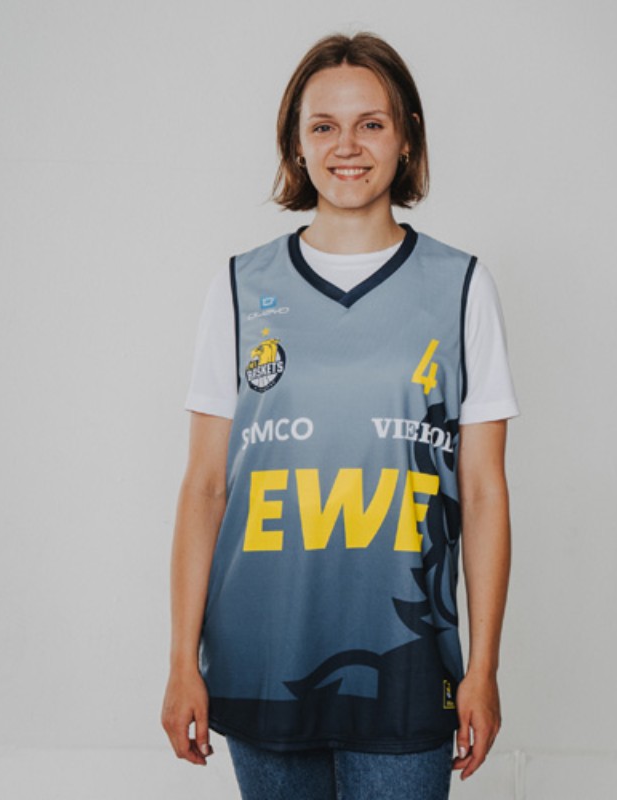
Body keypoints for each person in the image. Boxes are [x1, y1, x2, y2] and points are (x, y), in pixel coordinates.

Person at [161, 32, 520, 800]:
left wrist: (483, 669)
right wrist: (181, 661)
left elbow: (484, 493)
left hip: (410, 668)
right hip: (262, 658)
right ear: (296, 141)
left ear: (407, 136)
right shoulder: (239, 286)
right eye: (324, 125)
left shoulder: (460, 286)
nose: (346, 146)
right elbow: (205, 488)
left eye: (371, 123)